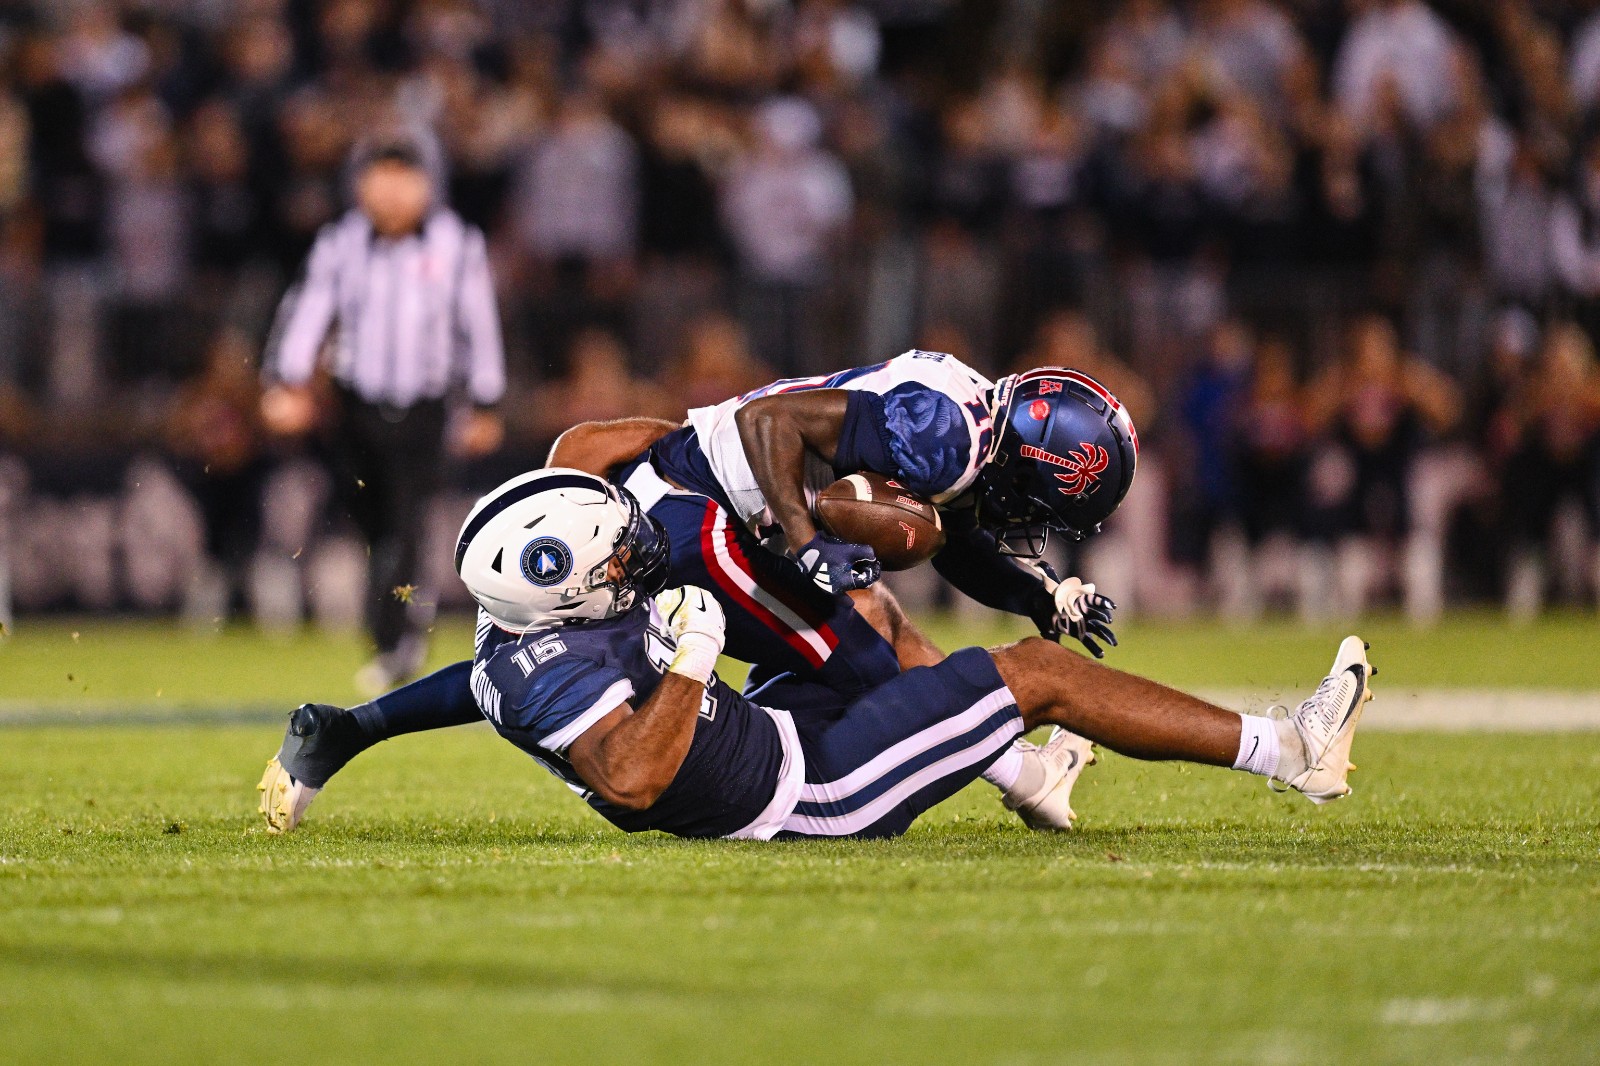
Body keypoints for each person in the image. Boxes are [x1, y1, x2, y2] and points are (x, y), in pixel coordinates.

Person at [258, 470, 1376, 840]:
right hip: (809, 791)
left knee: (867, 625)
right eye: (612, 554)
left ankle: (1029, 778)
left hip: (767, 730)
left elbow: (473, 687)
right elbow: (632, 779)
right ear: (563, 587)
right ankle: (1291, 751)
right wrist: (693, 659)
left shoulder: (516, 634)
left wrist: (354, 729)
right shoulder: (555, 674)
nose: (633, 554)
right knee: (1037, 673)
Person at [260, 126, 507, 694]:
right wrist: (286, 381)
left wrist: (486, 400)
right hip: (357, 409)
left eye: (405, 177)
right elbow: (308, 310)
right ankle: (397, 626)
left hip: (425, 407)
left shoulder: (457, 244)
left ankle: (396, 641)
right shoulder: (340, 243)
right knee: (372, 526)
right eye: (381, 176)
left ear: (428, 185)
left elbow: (479, 325)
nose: (392, 191)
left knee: (406, 527)